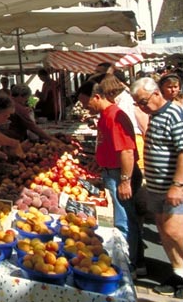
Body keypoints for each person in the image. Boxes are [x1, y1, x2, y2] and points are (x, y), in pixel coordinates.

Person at [78, 76, 142, 273]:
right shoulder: (105, 116)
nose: (85, 108)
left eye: (85, 103)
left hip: (119, 174)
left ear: (96, 97)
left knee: (124, 221)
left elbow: (127, 152)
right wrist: (99, 161)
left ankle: (128, 265)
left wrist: (125, 181)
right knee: (124, 217)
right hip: (112, 172)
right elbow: (110, 146)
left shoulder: (115, 117)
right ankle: (136, 262)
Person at [131, 77, 183, 297]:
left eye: (143, 101)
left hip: (171, 186)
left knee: (175, 230)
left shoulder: (173, 114)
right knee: (163, 230)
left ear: (156, 94)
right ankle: (178, 272)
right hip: (156, 185)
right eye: (138, 104)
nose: (142, 107)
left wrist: (177, 185)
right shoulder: (155, 115)